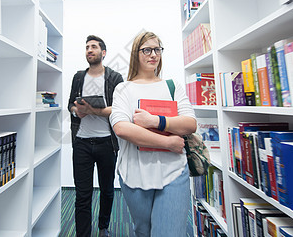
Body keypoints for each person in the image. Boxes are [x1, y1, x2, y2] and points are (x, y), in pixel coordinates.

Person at [109, 31, 197, 237]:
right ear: (136, 54)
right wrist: (167, 143)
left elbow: (190, 123)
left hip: (174, 171)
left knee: (169, 233)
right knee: (143, 231)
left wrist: (154, 121)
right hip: (134, 172)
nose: (153, 54)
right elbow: (121, 128)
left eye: (157, 49)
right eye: (147, 50)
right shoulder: (123, 89)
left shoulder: (173, 86)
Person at [68, 35, 124, 237]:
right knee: (82, 194)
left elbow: (119, 108)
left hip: (106, 143)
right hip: (81, 142)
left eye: (93, 47)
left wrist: (94, 111)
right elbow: (70, 105)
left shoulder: (115, 78)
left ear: (103, 52)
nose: (89, 50)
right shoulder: (78, 77)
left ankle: (103, 227)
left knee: (107, 189)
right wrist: (77, 111)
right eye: (86, 47)